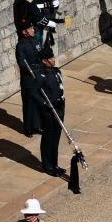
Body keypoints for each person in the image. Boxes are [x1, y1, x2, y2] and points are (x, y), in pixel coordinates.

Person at [34, 48, 66, 177]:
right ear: (44, 61)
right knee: (48, 138)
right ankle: (47, 165)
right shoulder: (41, 76)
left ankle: (55, 163)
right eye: (51, 58)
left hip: (59, 108)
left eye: (53, 57)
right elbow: (33, 94)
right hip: (49, 111)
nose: (53, 60)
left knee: (56, 138)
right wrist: (45, 104)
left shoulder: (56, 71)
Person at [15, 25, 43, 137]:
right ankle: (28, 128)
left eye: (32, 28)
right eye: (30, 29)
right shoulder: (20, 46)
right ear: (24, 31)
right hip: (28, 78)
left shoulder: (36, 42)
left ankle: (36, 126)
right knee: (28, 104)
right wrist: (33, 70)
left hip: (38, 76)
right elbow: (22, 63)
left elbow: (40, 56)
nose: (33, 30)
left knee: (37, 103)